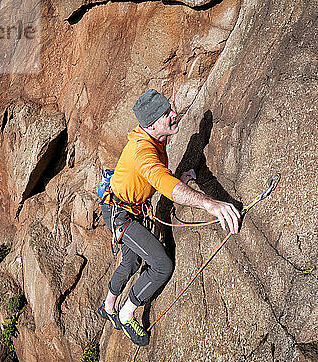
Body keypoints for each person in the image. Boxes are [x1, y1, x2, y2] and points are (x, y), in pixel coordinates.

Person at [98, 89, 241, 346]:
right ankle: (125, 312)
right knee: (162, 265)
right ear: (152, 124)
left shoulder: (155, 137)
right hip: (121, 214)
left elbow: (161, 178)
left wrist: (179, 181)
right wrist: (210, 204)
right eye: (166, 114)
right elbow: (159, 178)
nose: (175, 115)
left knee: (130, 264)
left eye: (170, 108)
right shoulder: (143, 151)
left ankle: (107, 307)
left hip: (131, 208)